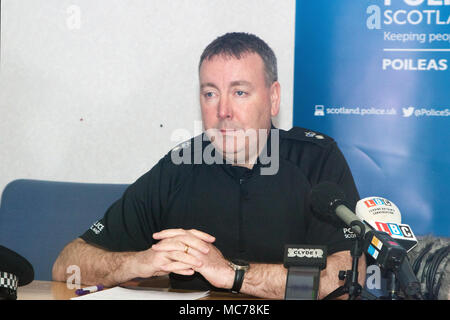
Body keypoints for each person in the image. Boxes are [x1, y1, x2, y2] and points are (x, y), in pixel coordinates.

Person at [52, 32, 366, 299]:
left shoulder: (317, 160)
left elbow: (345, 279)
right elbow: (67, 263)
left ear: (273, 98)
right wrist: (136, 263)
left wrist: (232, 274)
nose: (223, 110)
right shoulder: (179, 166)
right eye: (210, 93)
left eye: (240, 92)